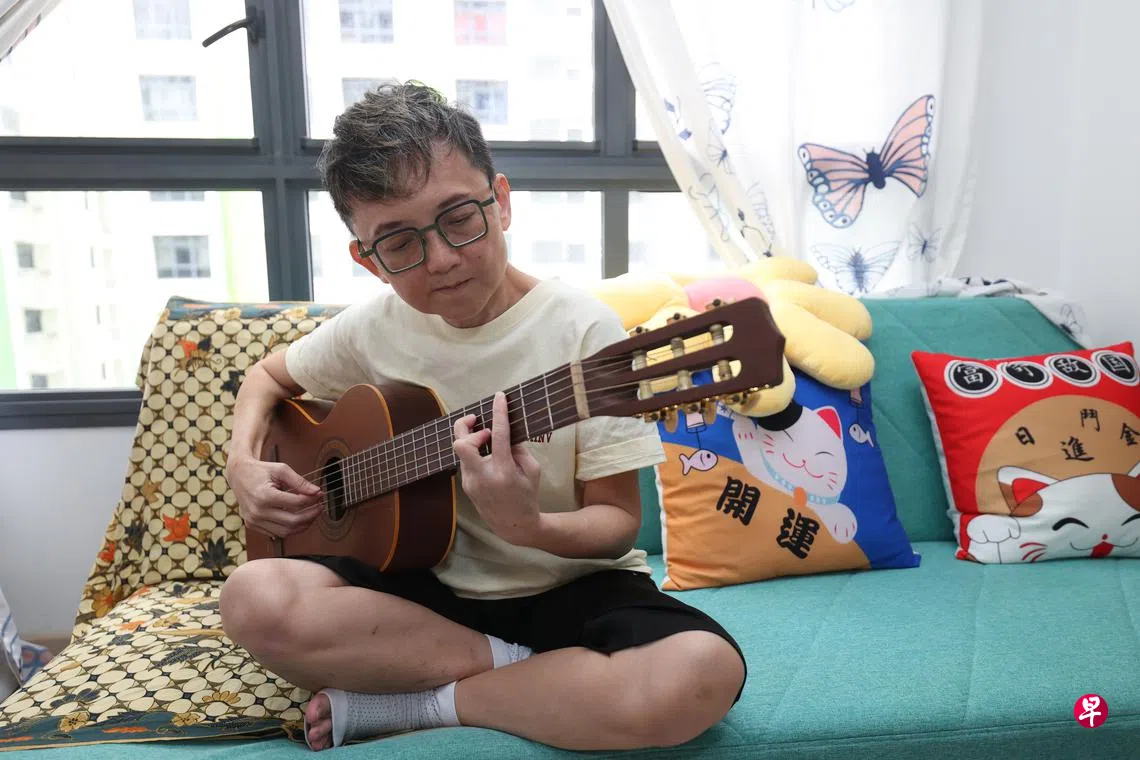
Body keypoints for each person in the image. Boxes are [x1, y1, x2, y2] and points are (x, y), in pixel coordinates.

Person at [218, 82, 746, 752]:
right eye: (398, 243)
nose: (441, 259)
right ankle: (534, 679)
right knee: (252, 598)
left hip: (571, 586)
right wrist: (243, 463)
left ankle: (424, 703)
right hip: (419, 595)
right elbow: (267, 377)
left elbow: (616, 523)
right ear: (368, 260)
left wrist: (531, 526)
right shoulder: (376, 327)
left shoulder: (585, 333)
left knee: (701, 673)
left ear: (501, 201)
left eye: (459, 217)